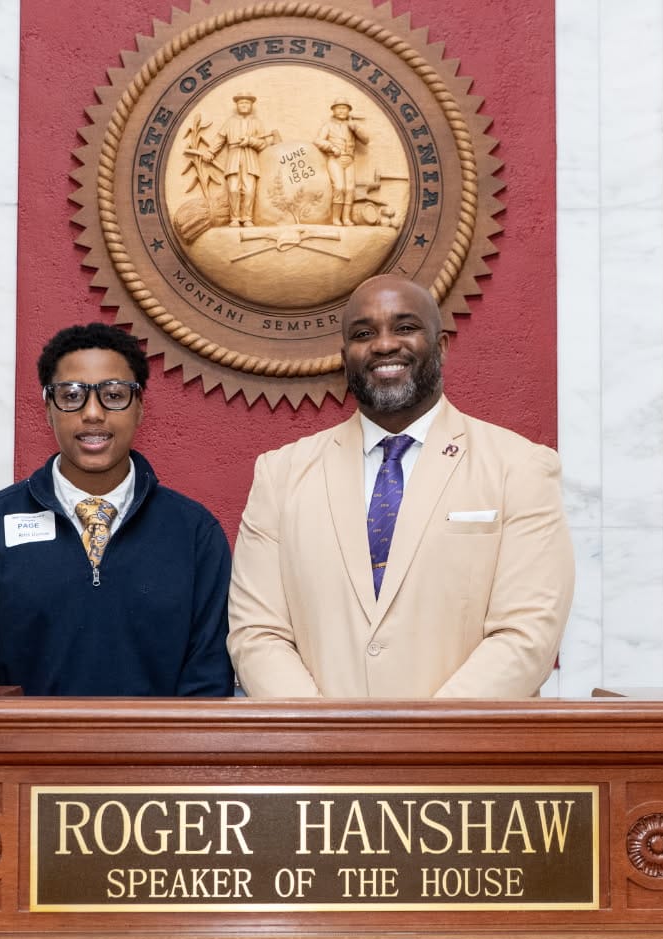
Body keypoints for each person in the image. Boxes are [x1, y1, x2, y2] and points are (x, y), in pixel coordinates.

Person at [227, 275, 575, 698]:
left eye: (405, 327)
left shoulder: (518, 467)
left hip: (463, 757)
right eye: (363, 333)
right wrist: (324, 742)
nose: (385, 344)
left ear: (441, 347)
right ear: (345, 356)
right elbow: (258, 634)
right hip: (320, 755)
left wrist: (422, 745)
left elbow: (527, 634)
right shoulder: (280, 475)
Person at [0, 323, 234, 696]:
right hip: (24, 755)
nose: (93, 413)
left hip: (161, 754)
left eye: (113, 394)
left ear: (140, 407)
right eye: (72, 395)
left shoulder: (193, 533)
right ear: (48, 408)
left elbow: (207, 684)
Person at [203, 93, 276, 226]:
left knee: (249, 189)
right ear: (236, 105)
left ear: (251, 106)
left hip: (250, 157)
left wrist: (250, 141)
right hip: (234, 156)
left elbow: (263, 144)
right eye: (241, 103)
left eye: (247, 103)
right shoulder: (230, 122)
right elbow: (220, 139)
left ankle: (247, 218)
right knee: (233, 189)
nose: (244, 105)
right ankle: (235, 218)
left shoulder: (257, 122)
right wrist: (210, 152)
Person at [313, 97, 368, 226]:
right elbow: (318, 141)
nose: (342, 111)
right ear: (333, 110)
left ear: (349, 110)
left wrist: (355, 128)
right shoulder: (328, 125)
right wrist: (331, 147)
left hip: (349, 160)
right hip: (335, 159)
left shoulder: (353, 125)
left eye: (344, 108)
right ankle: (335, 219)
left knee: (350, 189)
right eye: (339, 108)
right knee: (339, 187)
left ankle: (346, 218)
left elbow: (366, 140)